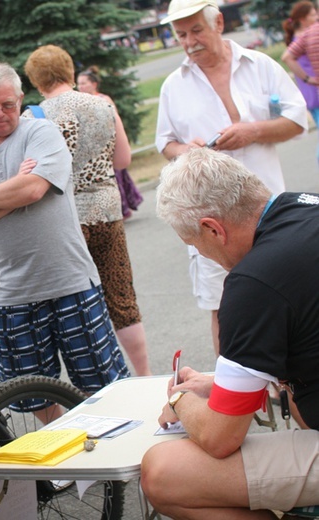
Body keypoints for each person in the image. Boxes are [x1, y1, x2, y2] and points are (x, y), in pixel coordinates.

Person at [0, 62, 129, 419]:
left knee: (100, 387)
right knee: (34, 398)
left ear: (20, 99)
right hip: (11, 296)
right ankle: (65, 472)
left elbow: (33, 188)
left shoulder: (41, 133)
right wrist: (10, 189)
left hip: (70, 283)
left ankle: (108, 467)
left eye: (8, 105)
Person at [140, 147, 319, 519]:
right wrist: (221, 384)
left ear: (212, 228)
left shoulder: (254, 281)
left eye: (195, 245)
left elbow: (220, 439)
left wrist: (180, 401)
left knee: (163, 472)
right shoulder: (306, 206)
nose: (203, 254)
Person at [156, 0, 307, 355]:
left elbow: (298, 120)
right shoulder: (173, 85)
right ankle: (234, 393)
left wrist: (253, 131)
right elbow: (165, 143)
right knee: (223, 308)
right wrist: (187, 151)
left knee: (287, 299)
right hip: (209, 223)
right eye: (181, 35)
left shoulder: (260, 66)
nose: (189, 41)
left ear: (219, 23)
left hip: (266, 213)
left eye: (196, 31)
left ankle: (289, 387)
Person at [23, 45, 151, 376]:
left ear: (36, 79)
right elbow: (122, 160)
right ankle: (145, 375)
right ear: (68, 70)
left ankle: (104, 383)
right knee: (123, 301)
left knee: (81, 306)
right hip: (108, 213)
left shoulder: (34, 117)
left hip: (65, 222)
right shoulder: (102, 104)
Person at [76, 66, 144, 220]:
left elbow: (113, 123)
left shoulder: (103, 99)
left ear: (94, 84)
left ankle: (122, 209)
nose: (81, 87)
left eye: (84, 83)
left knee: (115, 178)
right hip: (92, 151)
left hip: (108, 146)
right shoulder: (79, 103)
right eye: (78, 84)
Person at [282, 1, 319, 161]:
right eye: (312, 14)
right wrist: (308, 78)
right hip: (312, 89)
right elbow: (288, 58)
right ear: (302, 19)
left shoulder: (302, 36)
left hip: (311, 88)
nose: (316, 17)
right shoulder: (304, 37)